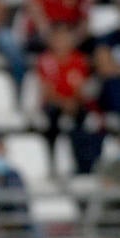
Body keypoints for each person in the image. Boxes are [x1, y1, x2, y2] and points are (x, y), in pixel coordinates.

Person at [36, 23, 104, 174]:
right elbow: (47, 90)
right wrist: (64, 102)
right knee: (52, 119)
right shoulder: (45, 60)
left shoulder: (79, 60)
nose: (62, 41)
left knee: (91, 124)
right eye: (58, 38)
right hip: (54, 105)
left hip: (75, 104)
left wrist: (73, 102)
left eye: (65, 38)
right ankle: (52, 164)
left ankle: (86, 166)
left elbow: (82, 88)